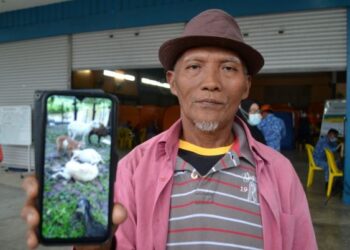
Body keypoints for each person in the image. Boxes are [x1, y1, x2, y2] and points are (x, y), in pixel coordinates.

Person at [22, 9, 317, 250]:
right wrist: (93, 246)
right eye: (194, 67)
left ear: (246, 86)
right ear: (173, 82)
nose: (211, 82)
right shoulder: (133, 169)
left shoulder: (280, 173)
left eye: (228, 68)